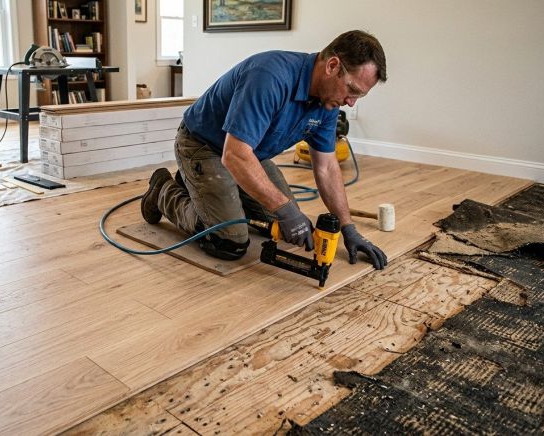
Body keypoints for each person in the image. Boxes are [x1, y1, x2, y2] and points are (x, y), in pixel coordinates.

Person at [141, 30, 388, 270]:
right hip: (204, 145)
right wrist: (284, 208)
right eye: (352, 90)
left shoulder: (327, 104)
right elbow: (234, 155)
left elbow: (326, 167)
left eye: (360, 96)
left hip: (249, 154)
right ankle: (162, 189)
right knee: (229, 240)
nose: (351, 102)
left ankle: (205, 190)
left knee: (284, 226)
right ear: (332, 66)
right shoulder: (269, 76)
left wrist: (348, 228)